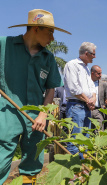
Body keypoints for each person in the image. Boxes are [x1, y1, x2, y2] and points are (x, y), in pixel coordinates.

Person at [0, 9, 70, 184]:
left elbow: (51, 89)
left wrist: (43, 114)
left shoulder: (48, 58)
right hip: (6, 111)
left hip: (36, 117)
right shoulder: (4, 45)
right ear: (36, 29)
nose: (53, 38)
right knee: (1, 156)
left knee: (33, 158)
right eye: (50, 32)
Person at [64, 42, 96, 158]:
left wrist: (93, 98)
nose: (95, 56)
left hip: (85, 106)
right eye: (93, 54)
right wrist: (89, 100)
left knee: (85, 139)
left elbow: (92, 86)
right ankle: (75, 170)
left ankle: (83, 167)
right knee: (75, 139)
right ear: (86, 53)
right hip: (76, 106)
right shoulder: (72, 65)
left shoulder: (86, 68)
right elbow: (74, 88)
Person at [90, 65, 107, 130]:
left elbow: (106, 97)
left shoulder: (103, 84)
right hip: (87, 110)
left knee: (99, 131)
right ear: (92, 73)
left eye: (101, 73)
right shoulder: (86, 82)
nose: (100, 75)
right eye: (98, 73)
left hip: (99, 110)